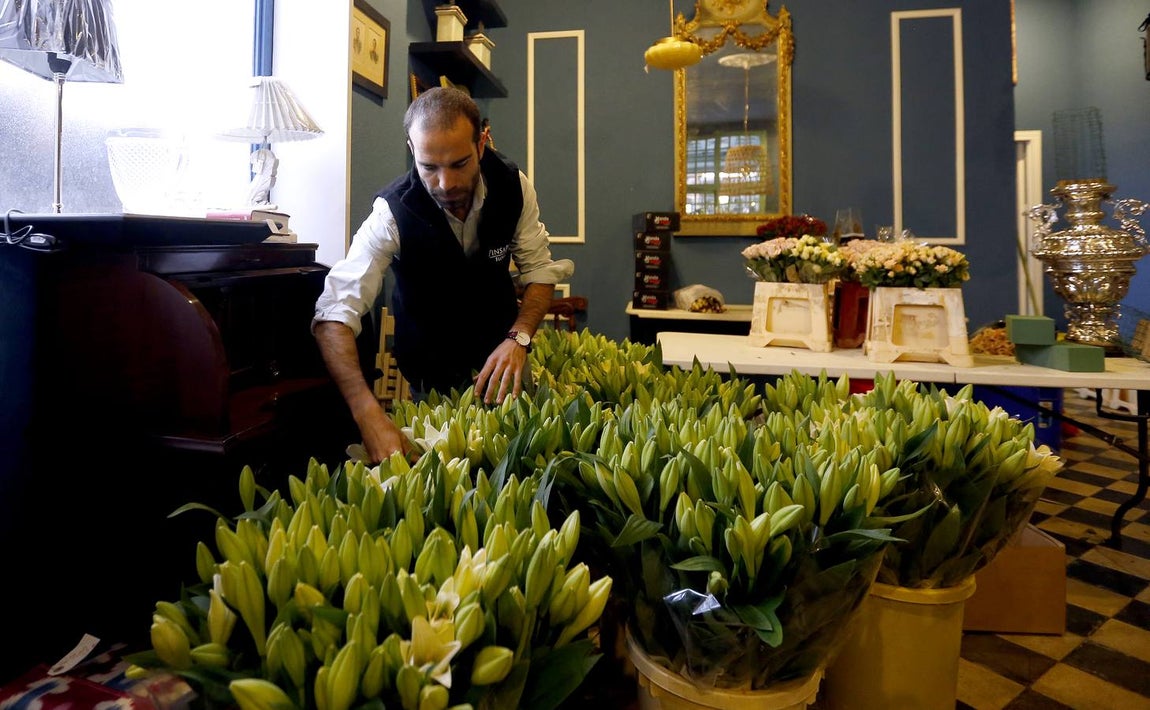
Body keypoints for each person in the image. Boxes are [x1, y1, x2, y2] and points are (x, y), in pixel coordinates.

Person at [313, 86, 574, 463]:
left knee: (521, 468)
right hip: (429, 368)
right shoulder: (391, 214)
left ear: (482, 143)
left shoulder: (513, 186)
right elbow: (334, 314)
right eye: (429, 168)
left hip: (505, 359)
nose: (445, 184)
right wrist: (366, 412)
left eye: (459, 164)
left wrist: (520, 339)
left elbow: (539, 271)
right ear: (411, 148)